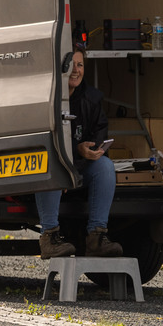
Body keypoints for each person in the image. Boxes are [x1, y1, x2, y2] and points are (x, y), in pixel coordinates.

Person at [37, 46, 121, 258]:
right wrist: (71, 157)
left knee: (105, 167)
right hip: (54, 166)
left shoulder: (91, 98)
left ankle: (97, 237)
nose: (76, 70)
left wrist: (92, 150)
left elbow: (100, 132)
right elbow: (41, 142)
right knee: (47, 163)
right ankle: (50, 237)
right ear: (59, 68)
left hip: (79, 166)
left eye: (80, 65)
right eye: (70, 65)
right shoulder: (45, 97)